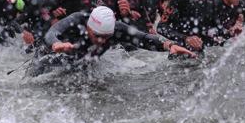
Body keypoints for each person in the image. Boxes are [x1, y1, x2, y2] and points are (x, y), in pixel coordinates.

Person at [40, 6, 194, 73]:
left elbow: (144, 38)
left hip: (81, 66)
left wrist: (169, 45)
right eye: (97, 36)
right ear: (89, 27)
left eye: (106, 37)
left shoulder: (117, 29)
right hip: (48, 63)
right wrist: (57, 44)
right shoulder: (76, 21)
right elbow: (50, 33)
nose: (101, 41)